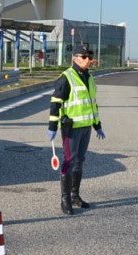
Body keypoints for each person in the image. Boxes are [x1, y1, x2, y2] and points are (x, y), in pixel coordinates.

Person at [48, 45, 106, 215]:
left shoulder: (89, 78)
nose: (88, 59)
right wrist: (52, 127)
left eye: (90, 56)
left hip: (86, 128)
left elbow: (91, 104)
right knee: (69, 161)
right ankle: (64, 199)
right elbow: (55, 103)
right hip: (71, 128)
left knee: (80, 161)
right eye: (85, 56)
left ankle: (75, 196)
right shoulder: (66, 78)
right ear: (75, 58)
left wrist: (97, 125)